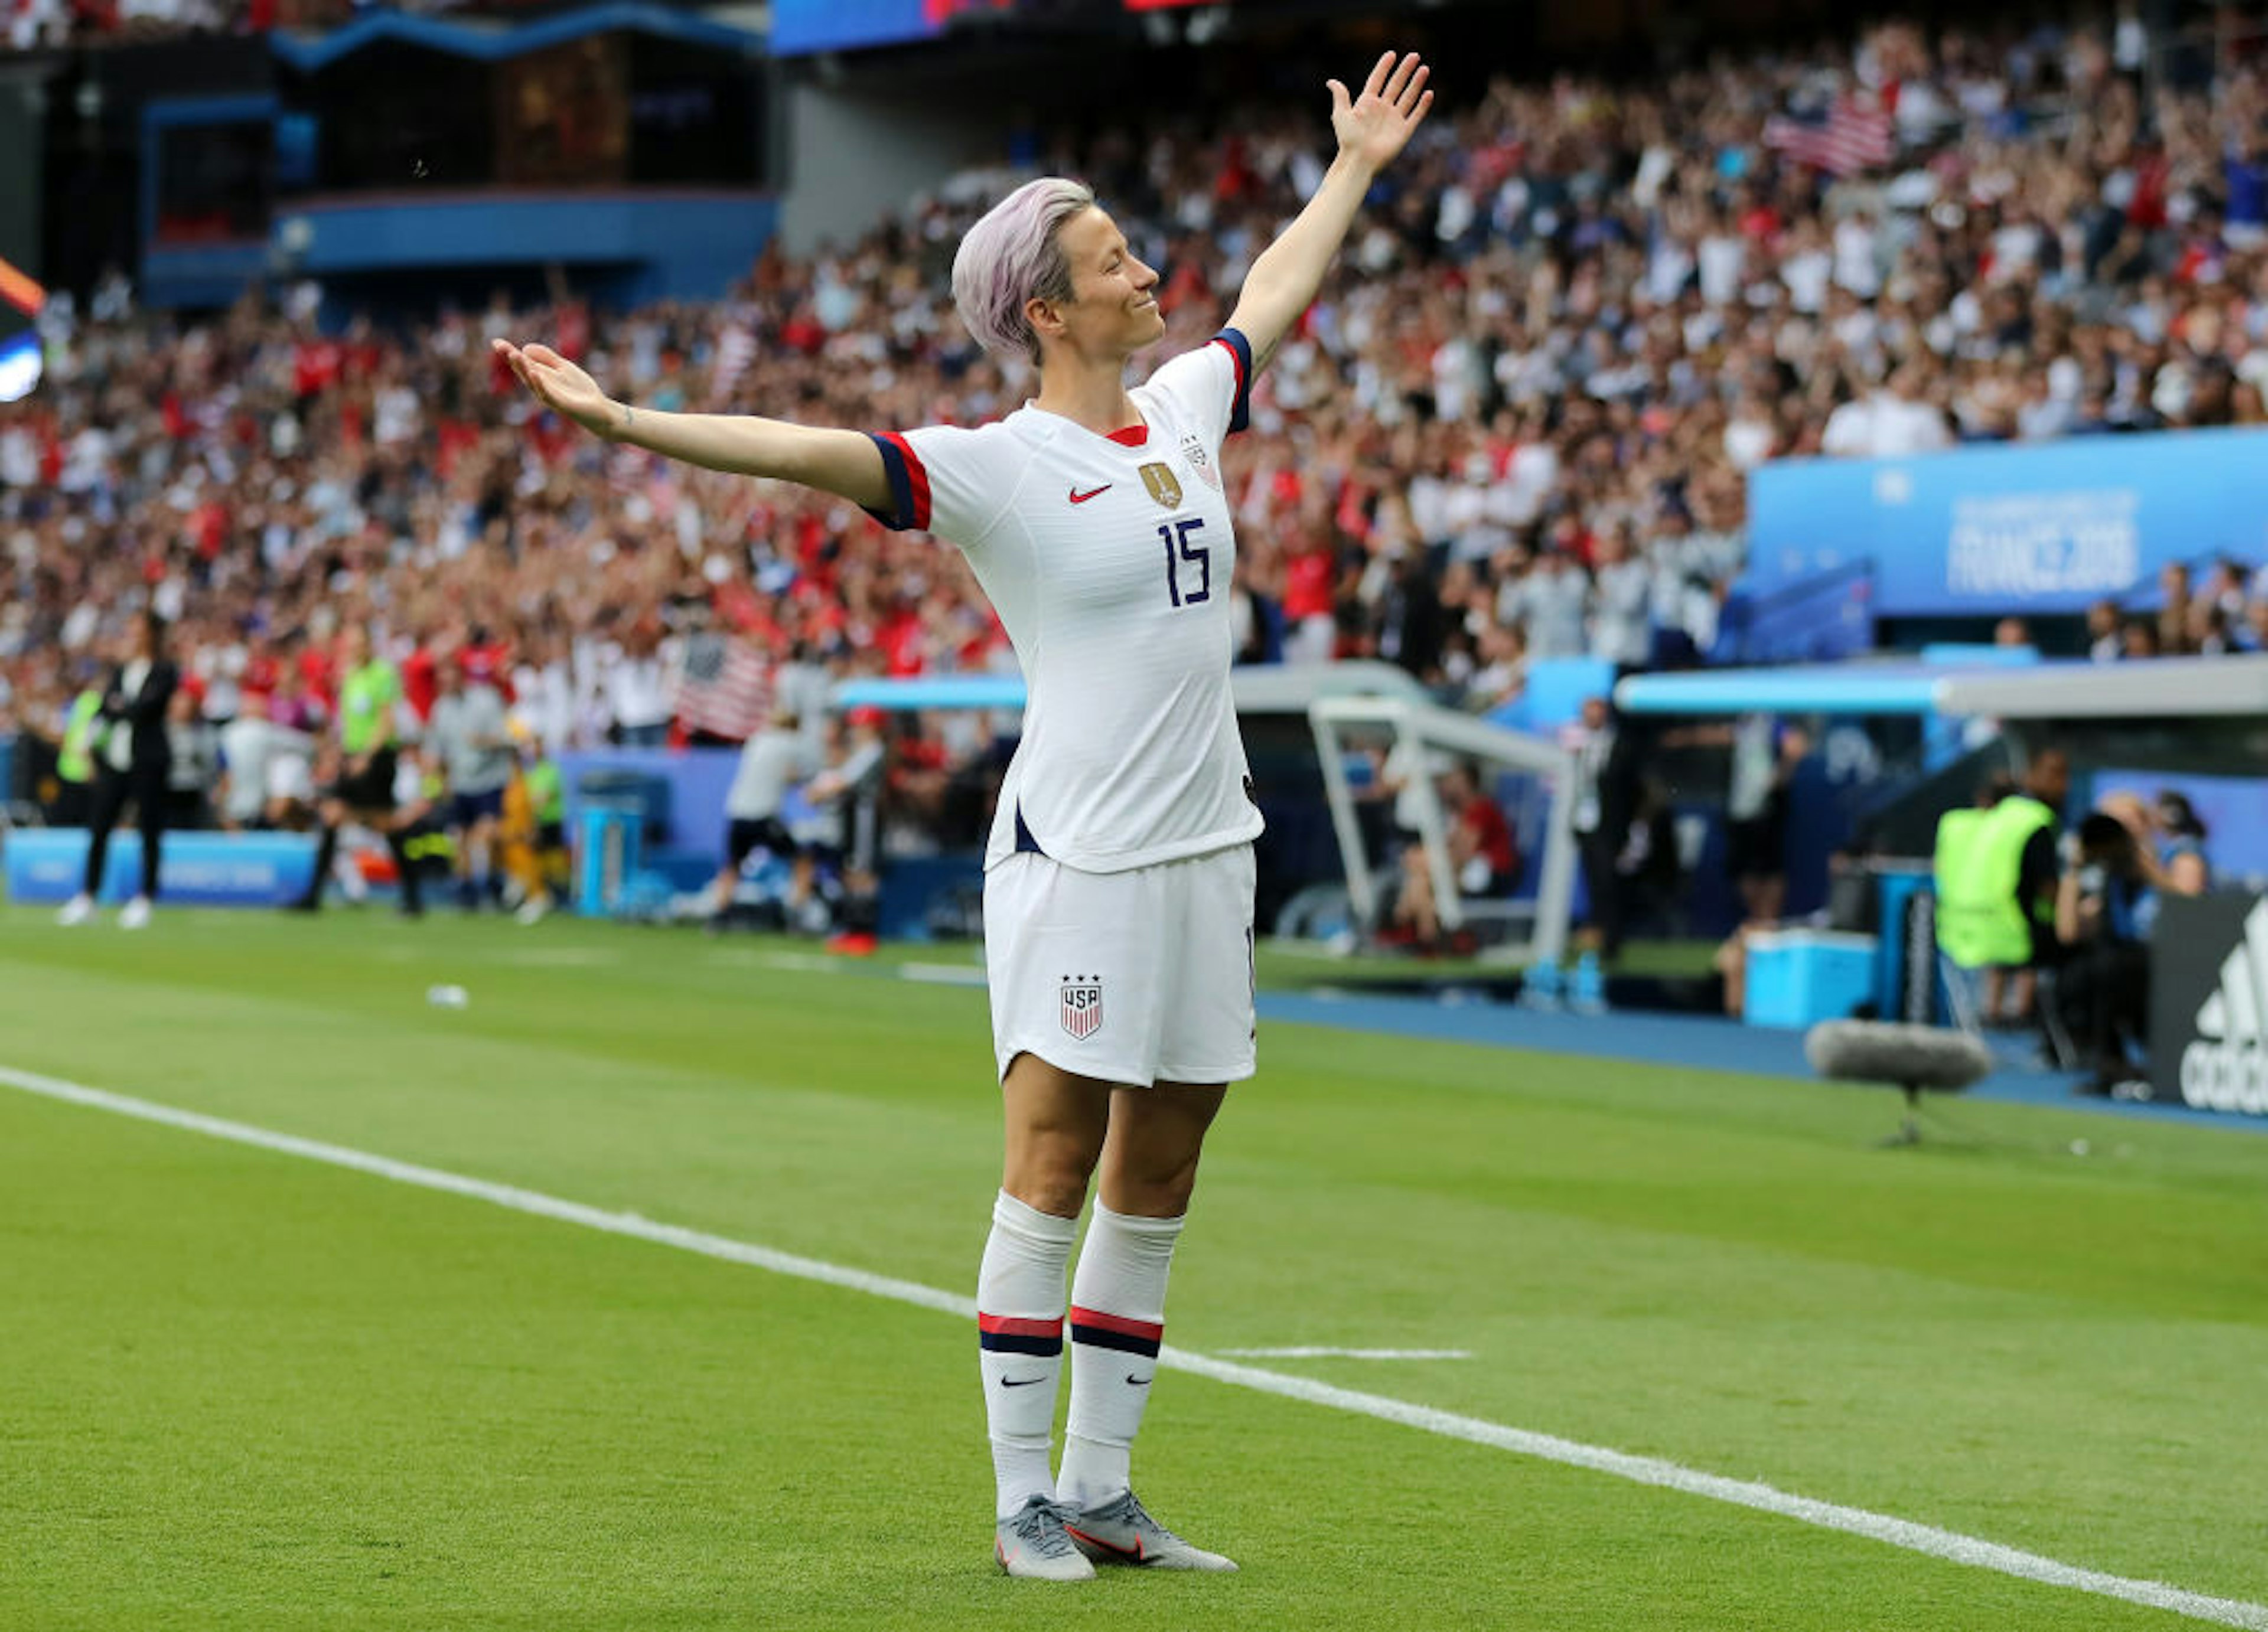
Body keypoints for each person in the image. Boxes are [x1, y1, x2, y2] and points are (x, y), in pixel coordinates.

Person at [494, 47, 1432, 1580]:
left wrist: (1357, 171)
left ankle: (1104, 1485)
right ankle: (1018, 1505)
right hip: (1078, 856)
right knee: (1051, 1163)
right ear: (1046, 312)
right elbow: (807, 453)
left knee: (1166, 1169)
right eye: (1112, 258)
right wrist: (618, 423)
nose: (1147, 270)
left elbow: (1273, 292)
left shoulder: (1188, 405)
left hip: (1209, 848)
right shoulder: (996, 468)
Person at [288, 623, 425, 916]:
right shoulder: (350, 676)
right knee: (333, 816)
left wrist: (366, 755)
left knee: (383, 823)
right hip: (354, 757)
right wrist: (340, 753)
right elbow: (349, 723)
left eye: (358, 643)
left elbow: (387, 719)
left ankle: (413, 895)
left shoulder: (383, 674)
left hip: (376, 758)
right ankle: (313, 895)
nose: (353, 649)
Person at [57, 611, 177, 929]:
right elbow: (104, 708)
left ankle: (145, 897)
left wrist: (121, 706)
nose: (131, 634)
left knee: (148, 830)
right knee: (99, 827)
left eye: (136, 628)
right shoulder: (122, 670)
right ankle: (87, 895)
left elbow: (146, 709)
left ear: (151, 633)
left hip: (148, 761)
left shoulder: (165, 670)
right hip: (115, 761)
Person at [710, 704, 817, 925]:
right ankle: (797, 911)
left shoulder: (757, 740)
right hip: (763, 814)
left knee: (732, 865)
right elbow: (810, 768)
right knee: (802, 859)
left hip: (737, 811)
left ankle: (719, 914)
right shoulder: (792, 743)